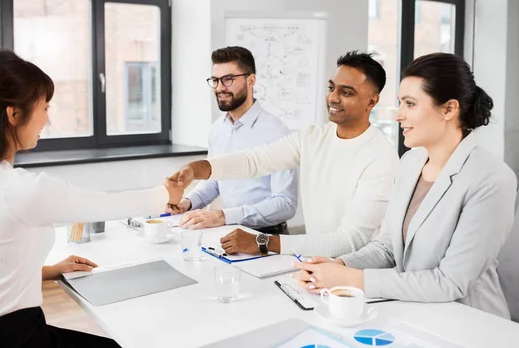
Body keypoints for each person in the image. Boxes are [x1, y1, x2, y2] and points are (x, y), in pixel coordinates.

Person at [0, 50, 184, 347]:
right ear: (14, 114)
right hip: (18, 339)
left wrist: (47, 272)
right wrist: (165, 194)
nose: (47, 119)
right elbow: (104, 205)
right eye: (44, 108)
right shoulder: (20, 189)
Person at [292, 52, 517, 319]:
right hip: (409, 309)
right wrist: (339, 264)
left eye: (410, 104)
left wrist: (353, 279)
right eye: (400, 103)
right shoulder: (411, 162)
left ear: (449, 109)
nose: (398, 115)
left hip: (468, 320)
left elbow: (449, 282)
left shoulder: (491, 178)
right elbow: (387, 247)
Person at [168, 51, 398, 257]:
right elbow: (255, 161)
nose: (333, 98)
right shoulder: (312, 136)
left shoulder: (380, 155)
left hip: (358, 275)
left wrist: (262, 242)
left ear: (372, 101)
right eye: (331, 88)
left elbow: (350, 241)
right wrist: (198, 168)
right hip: (317, 261)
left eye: (346, 92)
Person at [174, 46, 297, 235]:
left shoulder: (276, 132)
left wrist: (224, 216)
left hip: (267, 236)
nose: (220, 88)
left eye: (228, 79)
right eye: (215, 80)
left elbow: (286, 204)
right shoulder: (217, 129)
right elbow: (214, 182)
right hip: (230, 231)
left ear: (251, 80)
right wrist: (187, 203)